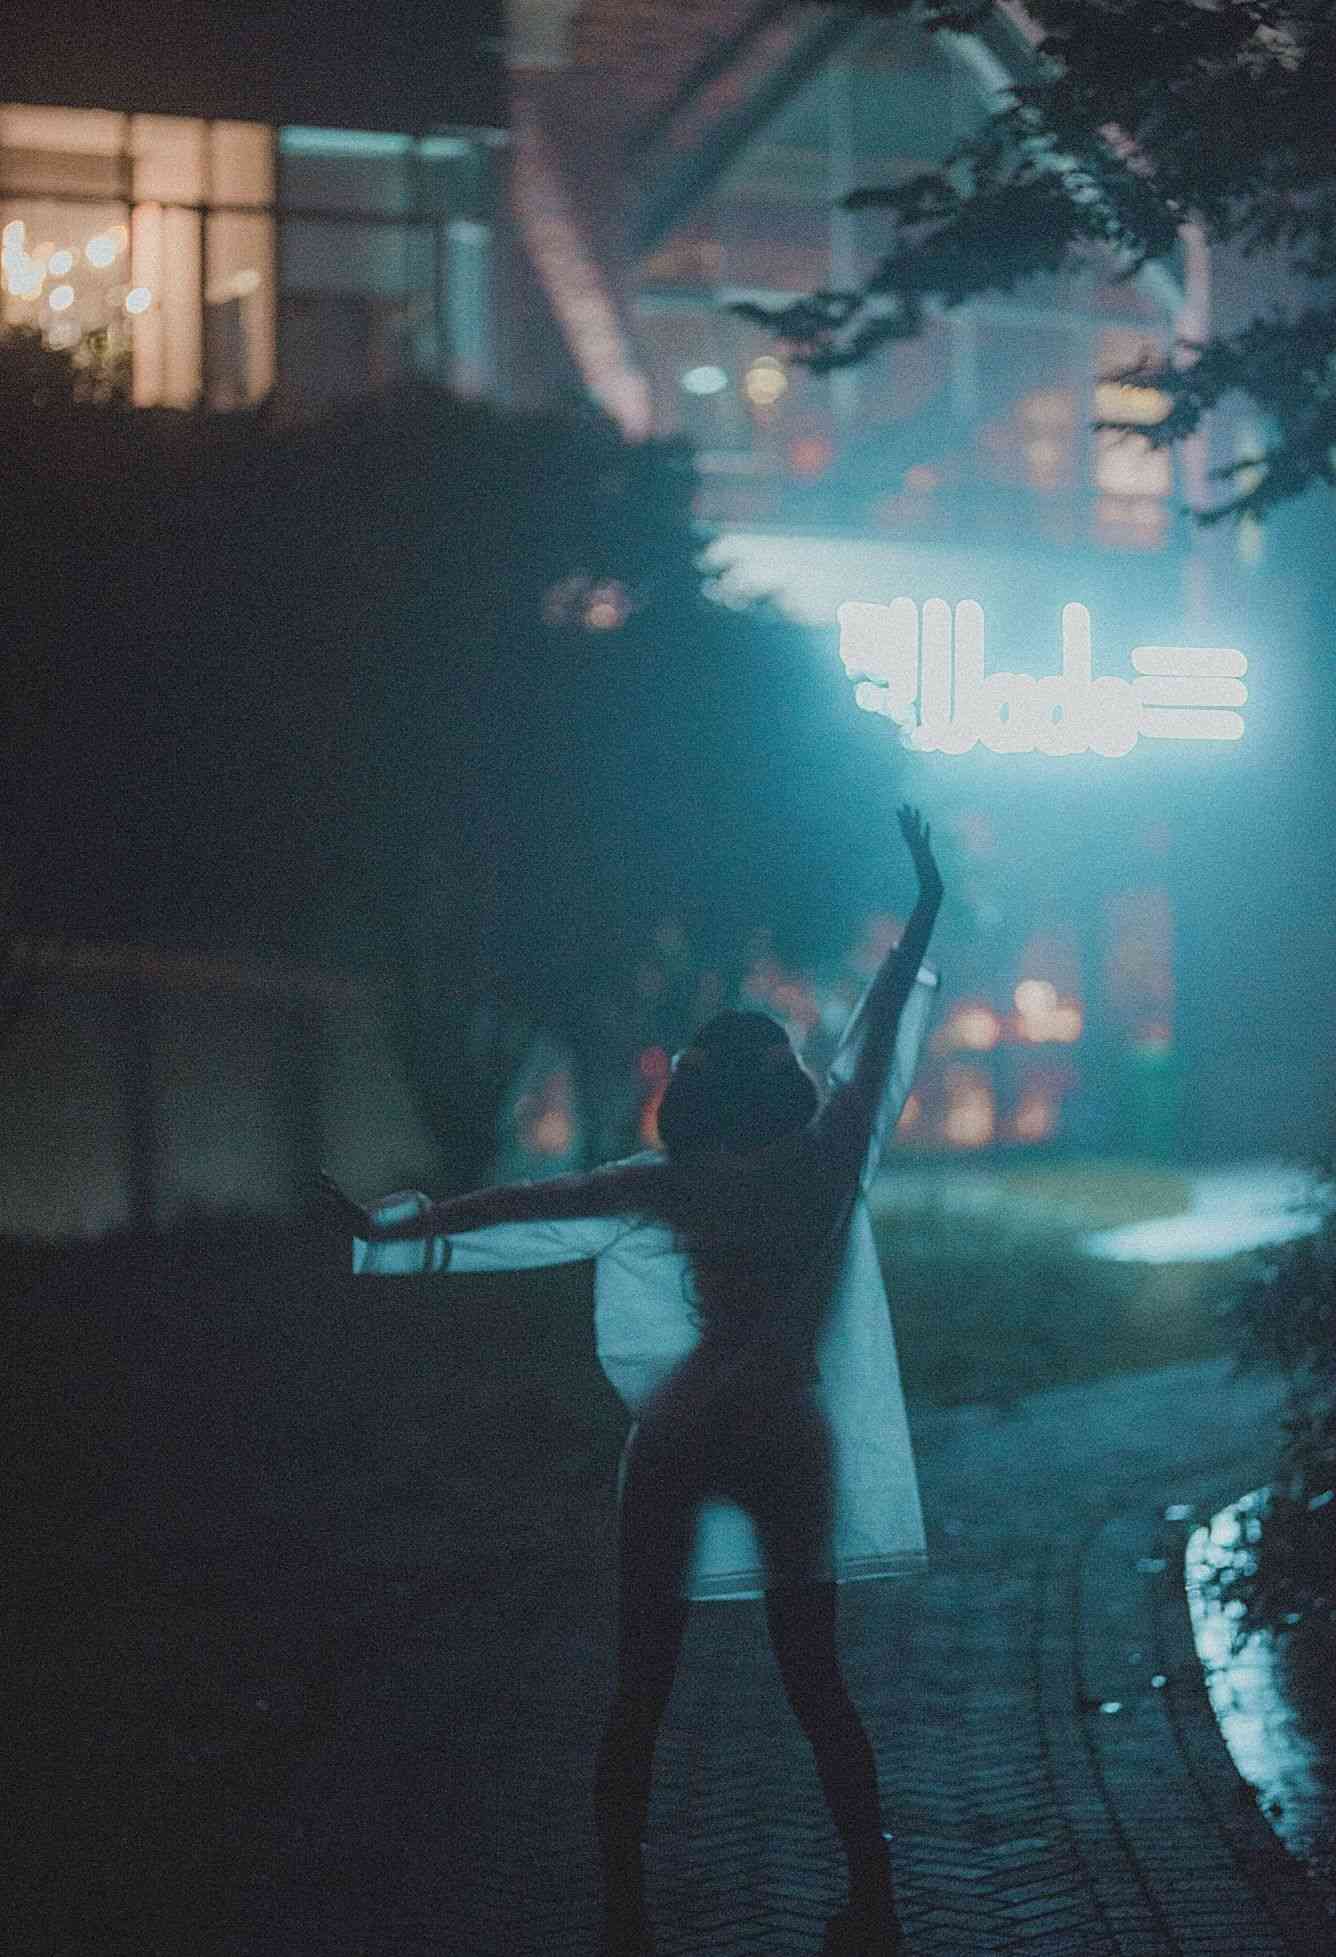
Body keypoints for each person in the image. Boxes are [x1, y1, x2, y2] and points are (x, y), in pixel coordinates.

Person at [316, 804, 944, 1957]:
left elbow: (524, 1207)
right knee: (816, 1683)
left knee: (640, 1688)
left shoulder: (671, 1182)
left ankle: (623, 1916)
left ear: (698, 1094)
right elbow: (878, 1037)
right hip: (785, 1438)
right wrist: (924, 907)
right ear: (783, 1090)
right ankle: (875, 1903)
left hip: (682, 1431)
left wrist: (387, 1232)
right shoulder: (825, 1165)